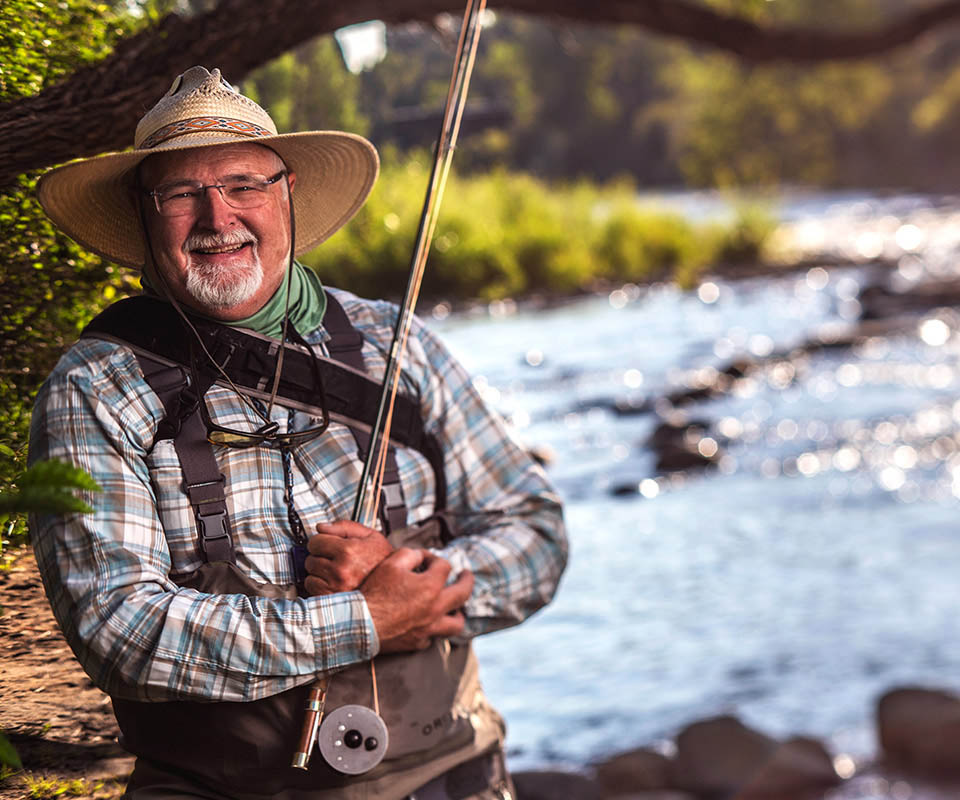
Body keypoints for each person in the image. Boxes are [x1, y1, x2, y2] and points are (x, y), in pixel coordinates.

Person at [28, 66, 567, 799]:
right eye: (182, 194)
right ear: (145, 218)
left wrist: (417, 586)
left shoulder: (397, 342)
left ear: (288, 195)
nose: (218, 218)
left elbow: (536, 536)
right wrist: (366, 621)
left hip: (450, 774)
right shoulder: (95, 386)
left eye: (245, 184)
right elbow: (121, 631)